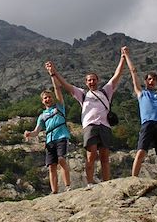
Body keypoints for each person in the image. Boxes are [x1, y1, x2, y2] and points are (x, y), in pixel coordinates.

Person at [47, 55, 125, 186]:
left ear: (97, 80)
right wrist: (53, 72)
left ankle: (107, 183)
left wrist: (123, 58)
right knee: (91, 155)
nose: (92, 82)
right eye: (89, 80)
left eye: (94, 80)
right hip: (90, 126)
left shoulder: (105, 91)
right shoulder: (82, 94)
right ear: (86, 82)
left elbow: (117, 75)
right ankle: (89, 183)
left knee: (105, 157)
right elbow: (65, 85)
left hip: (105, 126)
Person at [121, 46, 157, 177]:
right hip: (148, 124)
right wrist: (126, 55)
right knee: (141, 152)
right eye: (149, 79)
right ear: (146, 81)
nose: (151, 81)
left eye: (154, 79)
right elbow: (133, 71)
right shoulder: (141, 93)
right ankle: (133, 178)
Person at [24, 64, 71, 193]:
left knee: (61, 159)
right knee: (51, 166)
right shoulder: (42, 116)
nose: (48, 99)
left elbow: (57, 88)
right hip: (50, 141)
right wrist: (29, 134)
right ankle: (54, 191)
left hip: (61, 136)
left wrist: (52, 74)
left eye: (49, 97)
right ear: (42, 101)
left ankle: (67, 186)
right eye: (45, 98)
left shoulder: (59, 107)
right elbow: (37, 131)